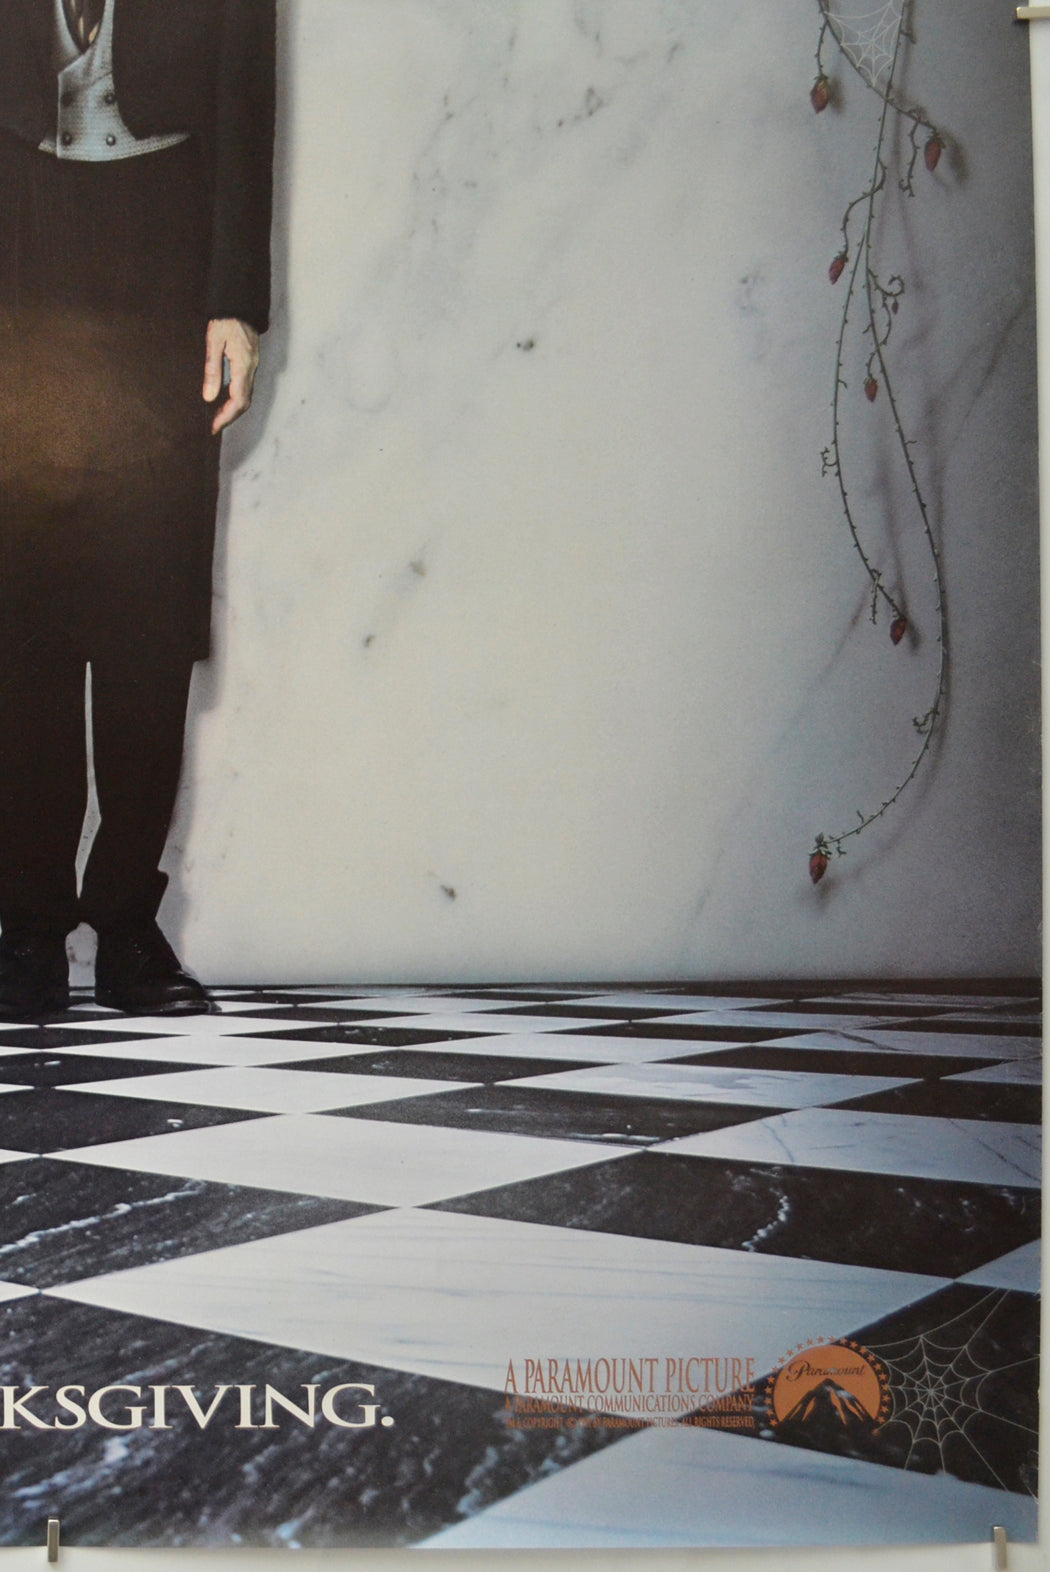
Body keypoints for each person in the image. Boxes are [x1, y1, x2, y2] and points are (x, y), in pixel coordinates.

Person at [0, 0, 276, 1017]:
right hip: (17, 225)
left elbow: (248, 99)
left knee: (150, 598)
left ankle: (125, 928)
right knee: (18, 599)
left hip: (167, 231)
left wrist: (237, 298)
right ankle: (26, 928)